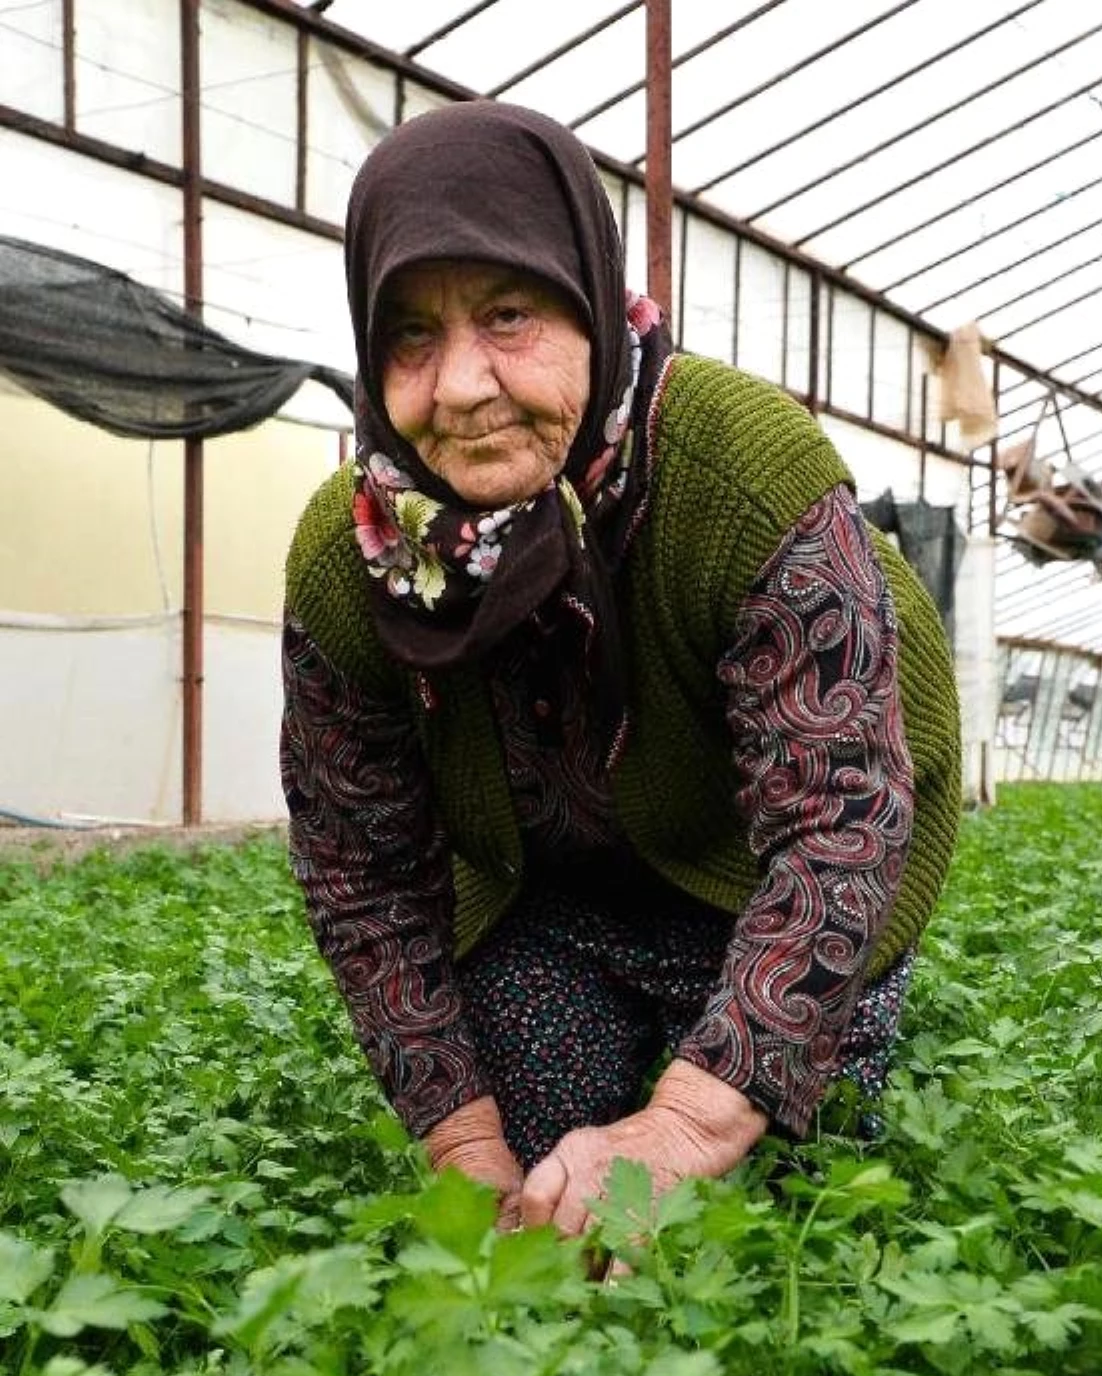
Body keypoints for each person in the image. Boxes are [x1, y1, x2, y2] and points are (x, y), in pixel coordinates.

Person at [280, 99, 961, 1245]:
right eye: (410, 336)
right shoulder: (361, 554)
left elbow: (839, 821)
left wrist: (689, 1124)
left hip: (764, 865)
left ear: (589, 303)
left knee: (789, 1197)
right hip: (555, 900)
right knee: (546, 1196)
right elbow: (361, 873)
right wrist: (461, 1138)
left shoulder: (737, 471)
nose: (458, 386)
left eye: (508, 315)